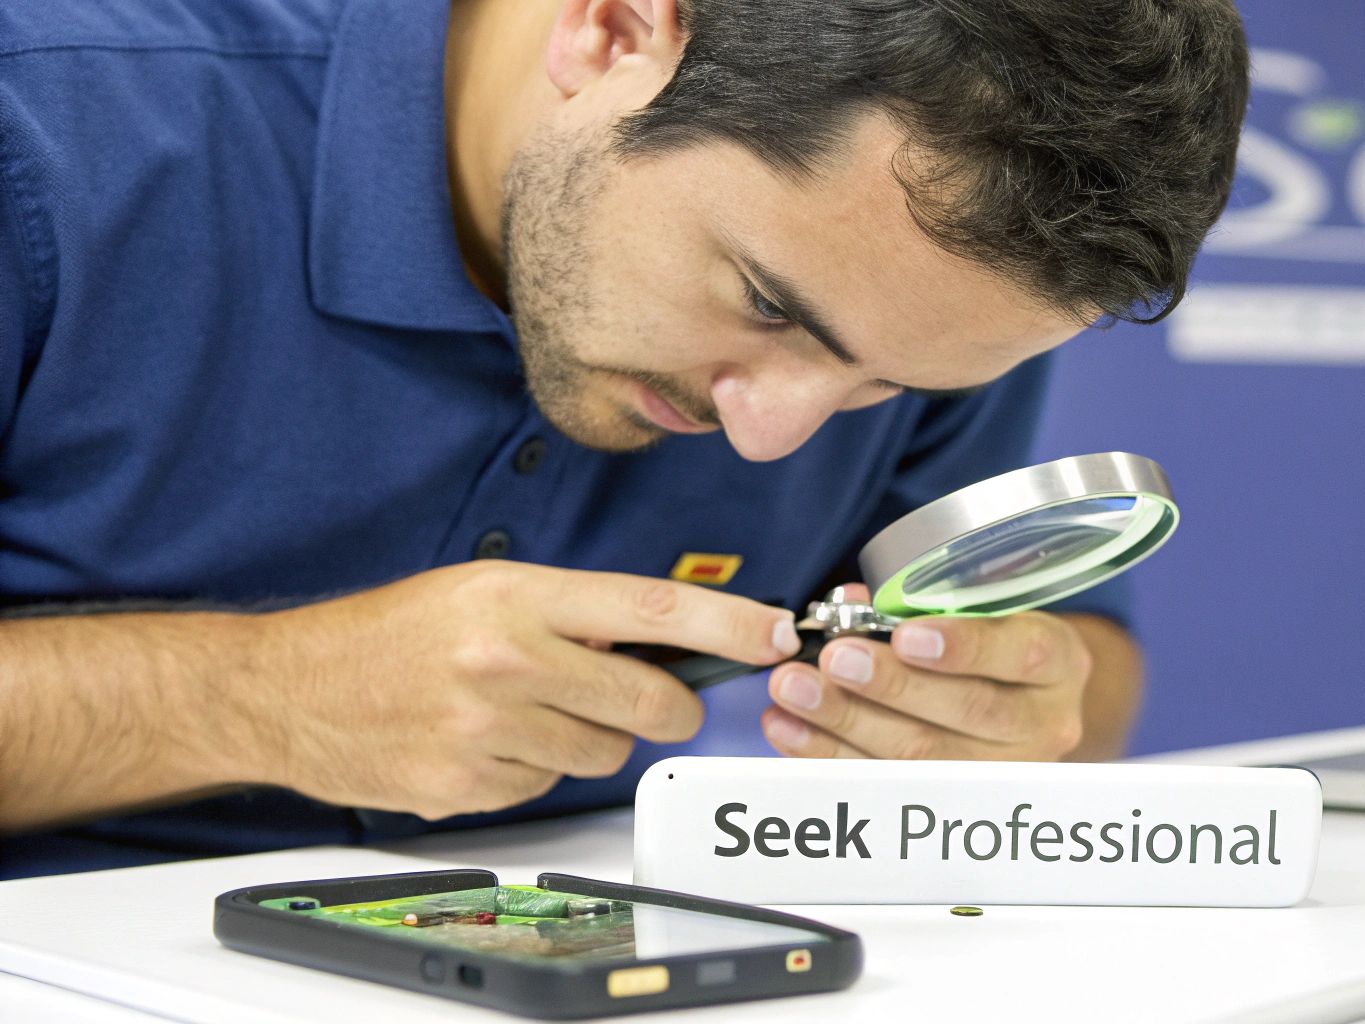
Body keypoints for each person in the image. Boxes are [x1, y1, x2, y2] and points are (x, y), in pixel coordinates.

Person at [0, 0, 1249, 878]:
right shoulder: (48, 129)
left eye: (884, 385)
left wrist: (1011, 721)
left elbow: (1076, 660)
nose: (771, 434)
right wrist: (257, 699)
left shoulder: (900, 294)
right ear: (611, 29)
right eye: (764, 304)